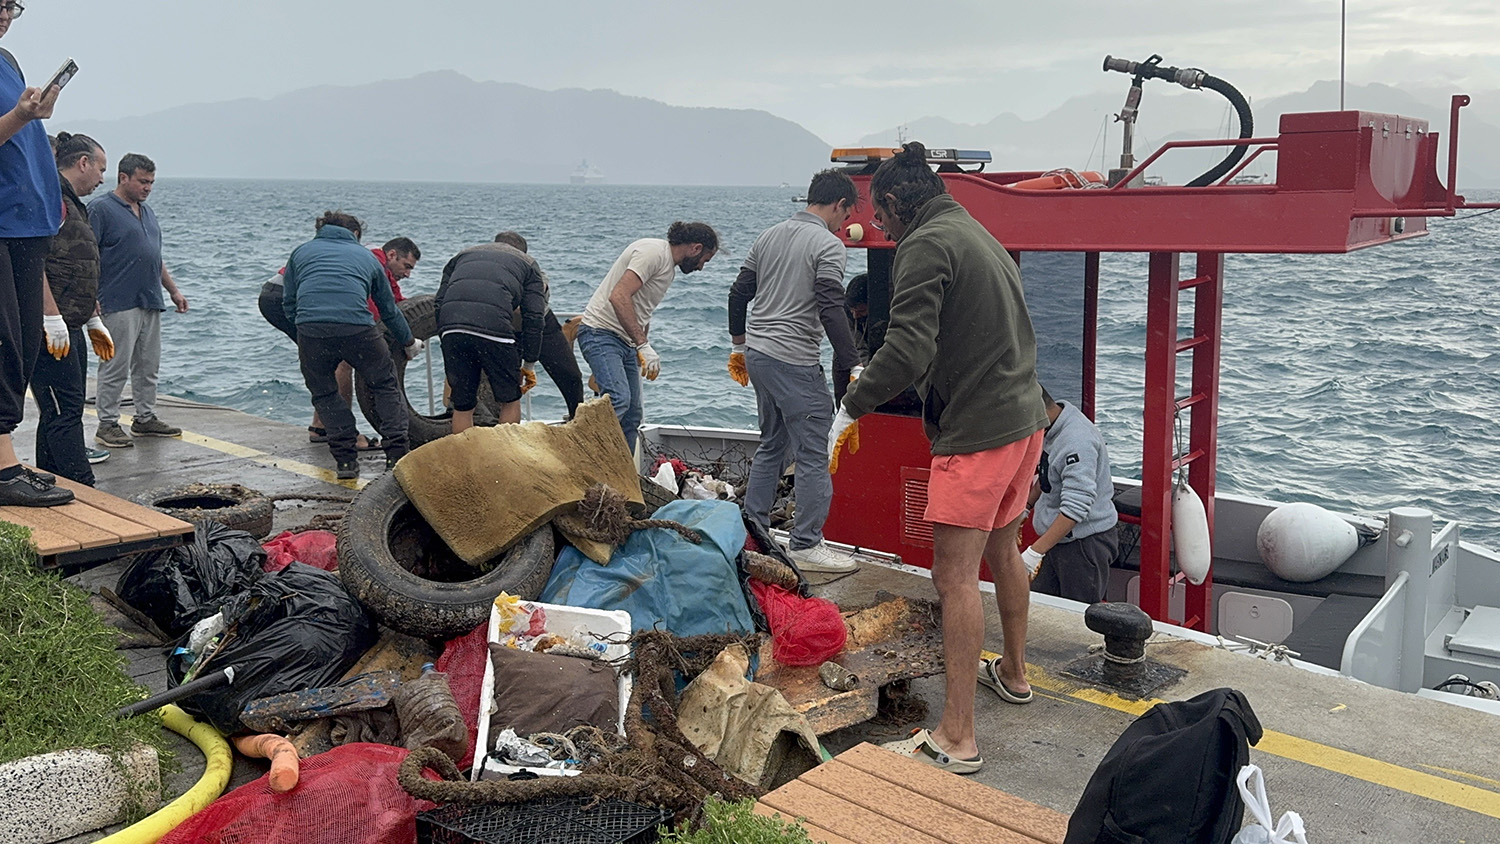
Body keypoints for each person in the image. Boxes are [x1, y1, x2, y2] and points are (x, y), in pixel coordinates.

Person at [830, 142, 1047, 773]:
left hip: (978, 434)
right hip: (1024, 420)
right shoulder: (971, 228)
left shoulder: (924, 243)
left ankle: (957, 738)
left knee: (954, 578)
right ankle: (1013, 671)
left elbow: (905, 349)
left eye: (881, 216)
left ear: (897, 203)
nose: (880, 228)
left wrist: (852, 404)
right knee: (1003, 550)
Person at [728, 169, 860, 572]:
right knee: (813, 451)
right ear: (838, 205)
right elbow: (830, 306)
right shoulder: (828, 245)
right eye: (846, 214)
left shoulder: (768, 235)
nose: (845, 223)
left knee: (772, 442)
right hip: (794, 360)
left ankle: (754, 529)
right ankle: (806, 542)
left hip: (759, 355)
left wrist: (738, 346)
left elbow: (739, 293)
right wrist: (854, 363)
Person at [0, 1, 73, 506]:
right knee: (3, 342)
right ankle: (4, 471)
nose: (5, 13)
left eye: (11, 5)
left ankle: (6, 460)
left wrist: (34, 115)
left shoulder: (7, 60)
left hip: (28, 222)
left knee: (22, 344)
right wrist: (19, 115)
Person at [283, 211, 419, 479]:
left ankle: (345, 462)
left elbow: (289, 302)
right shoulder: (368, 258)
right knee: (385, 385)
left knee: (324, 393)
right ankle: (395, 457)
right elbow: (388, 309)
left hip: (312, 331)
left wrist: (306, 330)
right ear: (355, 234)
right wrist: (408, 341)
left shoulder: (300, 253)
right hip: (358, 329)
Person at [260, 236, 419, 447]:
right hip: (285, 297)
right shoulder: (371, 262)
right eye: (406, 266)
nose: (408, 274)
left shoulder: (378, 264)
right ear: (391, 255)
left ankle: (321, 427)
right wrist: (401, 343)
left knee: (327, 358)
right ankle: (347, 434)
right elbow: (369, 314)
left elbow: (395, 303)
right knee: (341, 359)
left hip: (273, 293)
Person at [577, 222, 718, 451]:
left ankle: (621, 477)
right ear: (696, 248)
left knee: (633, 415)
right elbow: (619, 296)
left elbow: (642, 309)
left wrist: (640, 349)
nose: (701, 267)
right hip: (600, 333)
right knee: (618, 398)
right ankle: (580, 453)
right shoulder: (653, 252)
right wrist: (643, 345)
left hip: (626, 343)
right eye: (705, 260)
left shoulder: (668, 268)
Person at [32, 132, 114, 485]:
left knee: (61, 411)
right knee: (63, 412)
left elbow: (77, 265)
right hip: (50, 327)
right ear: (83, 162)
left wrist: (93, 317)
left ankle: (49, 480)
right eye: (100, 169)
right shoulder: (51, 199)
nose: (101, 179)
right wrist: (50, 316)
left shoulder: (74, 204)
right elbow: (34, 262)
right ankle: (84, 488)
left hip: (73, 323)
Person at [91, 153, 188, 448]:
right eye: (143, 181)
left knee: (148, 365)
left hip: (150, 298)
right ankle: (107, 423)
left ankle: (145, 418)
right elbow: (88, 255)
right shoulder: (101, 209)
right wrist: (91, 296)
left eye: (151, 183)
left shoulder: (147, 212)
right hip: (118, 300)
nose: (148, 188)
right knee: (115, 364)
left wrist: (173, 290)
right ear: (123, 178)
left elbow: (153, 256)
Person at [433, 233, 546, 432]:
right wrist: (529, 364)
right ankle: (505, 458)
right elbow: (534, 317)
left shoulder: (462, 255)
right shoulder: (529, 265)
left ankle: (465, 459)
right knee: (510, 400)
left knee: (463, 404)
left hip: (452, 327)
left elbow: (439, 302)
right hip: (494, 328)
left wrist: (445, 334)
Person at [1026, 387, 1119, 603]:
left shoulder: (1077, 441)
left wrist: (1034, 552)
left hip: (1084, 545)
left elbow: (1075, 508)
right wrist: (1026, 506)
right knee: (1042, 609)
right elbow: (1050, 472)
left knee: (1078, 619)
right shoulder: (1054, 425)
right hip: (1055, 541)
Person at [494, 231, 584, 418]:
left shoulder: (534, 272)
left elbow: (528, 306)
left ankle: (577, 417)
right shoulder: (488, 270)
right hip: (504, 328)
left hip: (540, 323)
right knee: (506, 384)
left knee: (571, 375)